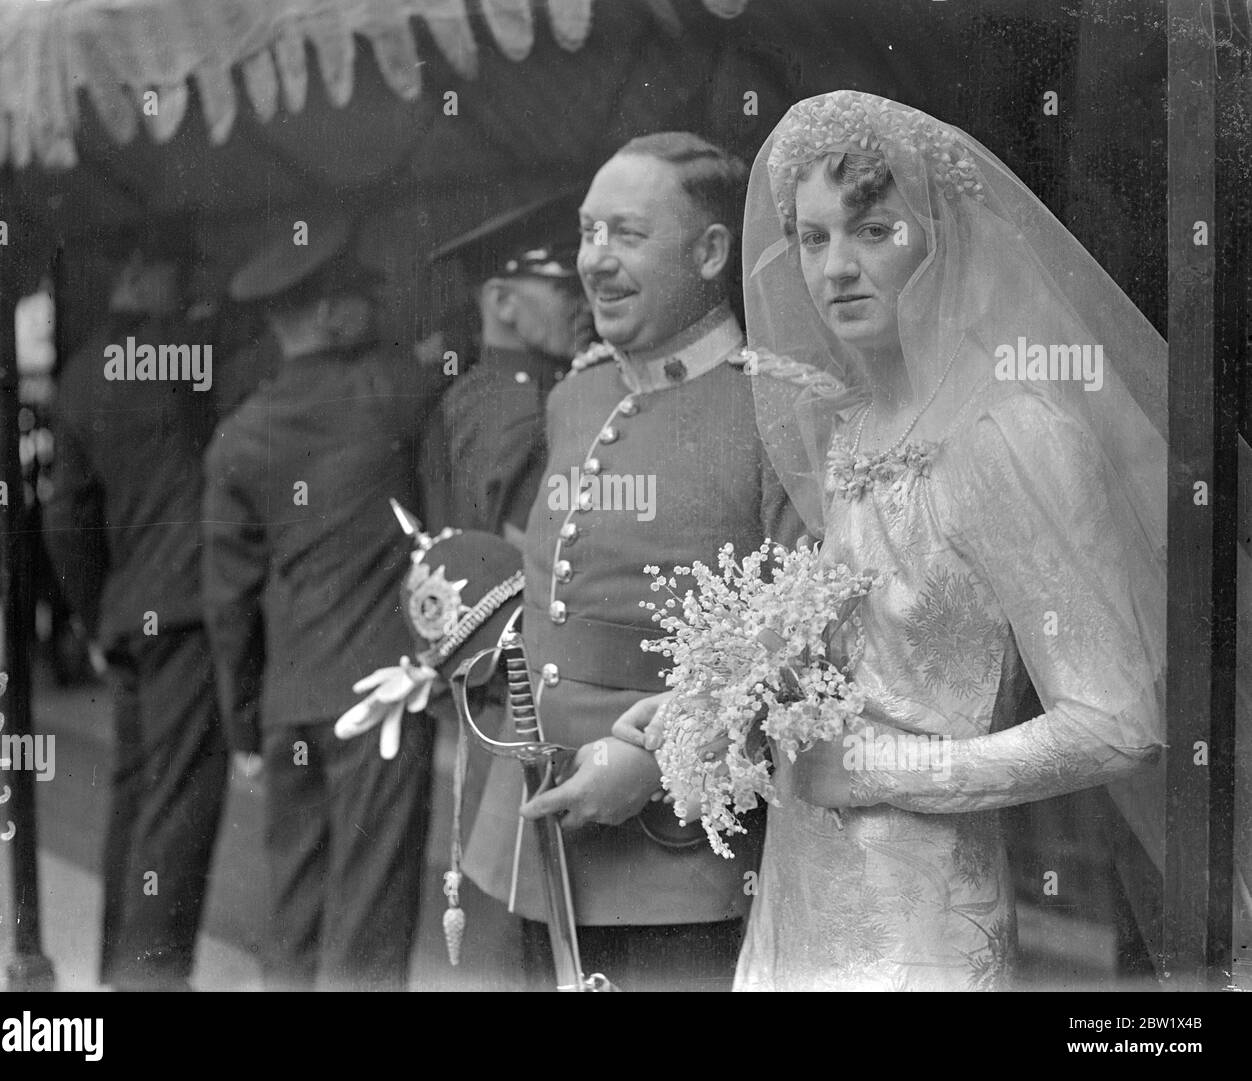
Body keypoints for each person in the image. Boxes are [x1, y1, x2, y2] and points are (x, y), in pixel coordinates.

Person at [616, 91, 1168, 991]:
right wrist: (711, 710)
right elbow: (857, 658)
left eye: (873, 230)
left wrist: (882, 767)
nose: (836, 268)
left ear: (940, 236)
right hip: (801, 895)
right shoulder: (854, 430)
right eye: (812, 237)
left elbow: (1119, 725)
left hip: (922, 924)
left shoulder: (1014, 434)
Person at [462, 133, 801, 992]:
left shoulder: (780, 407)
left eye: (627, 235)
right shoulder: (576, 395)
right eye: (587, 233)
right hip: (533, 836)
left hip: (679, 859)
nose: (596, 261)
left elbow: (817, 646)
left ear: (712, 251)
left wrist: (661, 762)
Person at [201, 211, 437, 990]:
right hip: (378, 702)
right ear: (334, 311)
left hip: (286, 705)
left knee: (292, 910)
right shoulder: (390, 389)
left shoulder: (239, 436)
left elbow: (228, 601)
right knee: (369, 915)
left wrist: (243, 725)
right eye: (360, 295)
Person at [44, 239, 228, 991]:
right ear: (139, 273)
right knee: (181, 793)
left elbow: (66, 517)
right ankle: (152, 976)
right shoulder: (185, 351)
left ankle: (119, 968)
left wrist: (95, 615)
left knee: (135, 791)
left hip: (127, 614)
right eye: (178, 275)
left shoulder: (82, 373)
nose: (186, 292)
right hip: (187, 605)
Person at [420, 189, 593, 546]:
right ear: (502, 302)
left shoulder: (469, 393)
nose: (589, 305)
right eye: (568, 290)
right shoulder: (527, 410)